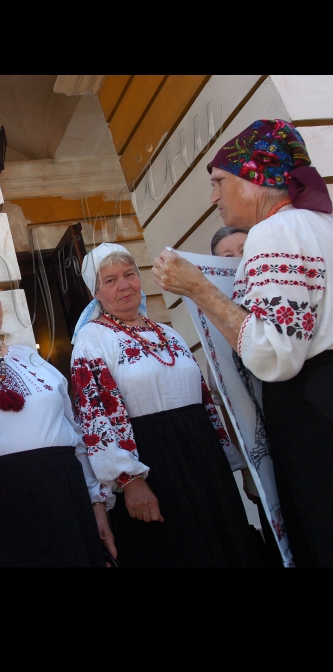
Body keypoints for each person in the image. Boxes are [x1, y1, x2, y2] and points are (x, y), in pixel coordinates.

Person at [153, 119, 333, 567]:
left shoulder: (274, 232)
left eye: (219, 182)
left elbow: (275, 352)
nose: (213, 197)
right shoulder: (321, 225)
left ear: (255, 181)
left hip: (313, 409)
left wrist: (199, 290)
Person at [72, 242, 262, 567]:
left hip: (202, 456)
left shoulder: (167, 334)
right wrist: (130, 481)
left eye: (129, 274)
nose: (124, 285)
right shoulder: (91, 341)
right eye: (110, 280)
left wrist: (238, 464)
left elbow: (205, 401)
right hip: (153, 466)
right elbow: (94, 419)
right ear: (96, 292)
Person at [0, 264, 114, 567]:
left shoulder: (30, 360)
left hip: (65, 499)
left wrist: (96, 503)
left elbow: (75, 434)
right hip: (0, 509)